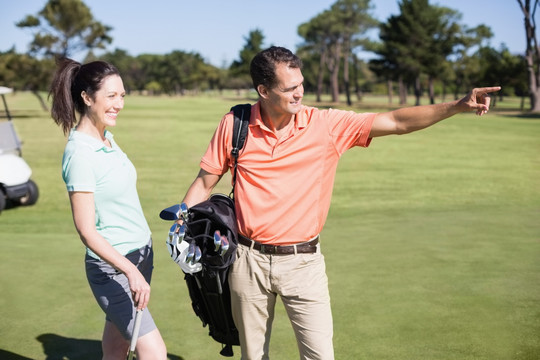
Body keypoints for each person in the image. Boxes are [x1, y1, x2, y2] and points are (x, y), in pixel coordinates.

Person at [180, 46, 500, 360]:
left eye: (301, 84)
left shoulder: (326, 125)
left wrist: (458, 105)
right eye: (289, 88)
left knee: (320, 355)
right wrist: (183, 226)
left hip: (303, 263)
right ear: (263, 90)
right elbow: (204, 183)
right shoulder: (234, 125)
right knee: (253, 356)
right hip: (247, 262)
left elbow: (396, 121)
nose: (299, 93)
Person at [49, 58, 167, 360]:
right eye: (111, 96)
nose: (119, 104)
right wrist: (131, 272)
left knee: (115, 348)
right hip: (114, 268)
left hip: (140, 256)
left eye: (122, 95)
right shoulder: (79, 154)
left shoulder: (107, 138)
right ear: (87, 98)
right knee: (154, 352)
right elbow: (87, 232)